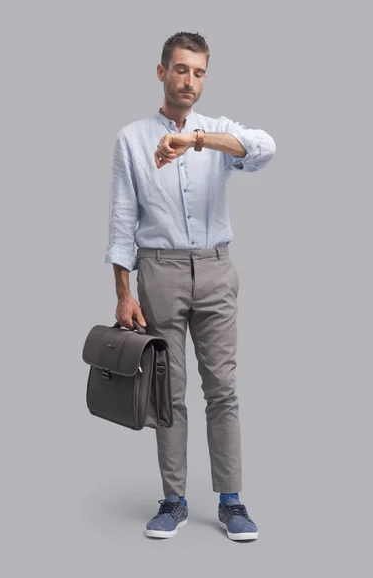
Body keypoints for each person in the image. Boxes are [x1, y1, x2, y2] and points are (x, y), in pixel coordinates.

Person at [105, 31, 276, 541]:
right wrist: (123, 292)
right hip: (159, 271)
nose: (190, 81)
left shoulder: (215, 132)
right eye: (181, 70)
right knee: (168, 392)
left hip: (217, 269)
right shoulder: (131, 139)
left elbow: (265, 148)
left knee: (223, 389)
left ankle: (231, 501)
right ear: (162, 72)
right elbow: (121, 220)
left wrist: (194, 140)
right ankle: (174, 500)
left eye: (199, 72)